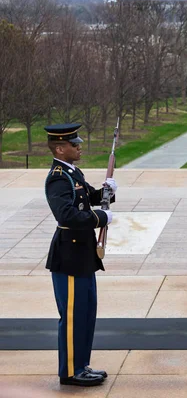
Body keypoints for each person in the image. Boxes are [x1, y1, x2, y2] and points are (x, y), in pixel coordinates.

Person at [44, 123, 117, 387]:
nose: (79, 147)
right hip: (70, 256)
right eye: (74, 144)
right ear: (60, 148)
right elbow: (67, 215)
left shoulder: (73, 173)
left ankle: (81, 365)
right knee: (74, 317)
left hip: (83, 255)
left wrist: (107, 192)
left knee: (86, 313)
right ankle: (71, 372)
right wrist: (100, 218)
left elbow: (86, 200)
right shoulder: (57, 177)